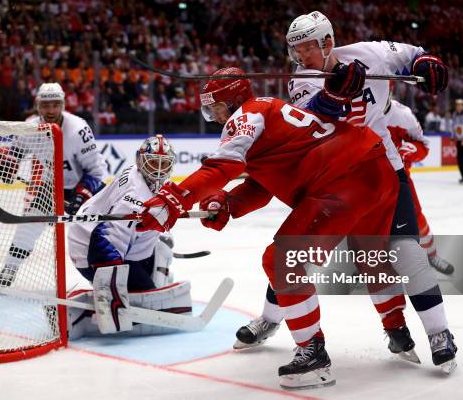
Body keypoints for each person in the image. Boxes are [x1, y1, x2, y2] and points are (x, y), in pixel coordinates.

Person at [136, 67, 420, 389]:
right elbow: (261, 184)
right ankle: (398, 331)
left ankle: (313, 355)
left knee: (283, 260)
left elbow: (221, 168)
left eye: (214, 106)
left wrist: (172, 199)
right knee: (369, 257)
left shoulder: (246, 116)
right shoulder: (266, 113)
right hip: (373, 171)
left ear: (231, 101)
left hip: (344, 180)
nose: (212, 115)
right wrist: (228, 204)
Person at [237, 11, 456, 373]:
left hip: (383, 171)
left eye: (306, 48)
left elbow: (413, 54)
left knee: (405, 253)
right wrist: (335, 92)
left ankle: (440, 333)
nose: (300, 57)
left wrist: (427, 63)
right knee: (292, 256)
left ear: (327, 42)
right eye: (294, 50)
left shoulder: (370, 53)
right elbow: (312, 119)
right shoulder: (302, 80)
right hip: (334, 183)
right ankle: (269, 319)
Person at [66, 135, 192, 338]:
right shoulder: (134, 199)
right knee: (147, 296)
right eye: (153, 163)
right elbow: (104, 242)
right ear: (141, 160)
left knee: (162, 242)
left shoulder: (138, 174)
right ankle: (85, 314)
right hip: (89, 251)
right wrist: (112, 297)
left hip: (90, 233)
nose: (158, 170)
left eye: (164, 163)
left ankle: (140, 286)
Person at [0, 82, 109, 288]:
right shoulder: (30, 127)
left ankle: (107, 276)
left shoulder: (78, 129)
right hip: (52, 187)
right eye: (46, 105)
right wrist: (6, 166)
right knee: (27, 228)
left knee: (96, 234)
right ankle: (9, 270)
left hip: (86, 188)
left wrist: (81, 196)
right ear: (38, 106)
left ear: (63, 105)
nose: (51, 110)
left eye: (55, 105)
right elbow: (15, 154)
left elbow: (97, 171)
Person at [385, 99, 454, 275]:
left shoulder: (403, 114)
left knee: (416, 219)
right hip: (367, 179)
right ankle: (368, 262)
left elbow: (423, 145)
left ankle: (431, 256)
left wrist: (409, 149)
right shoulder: (356, 105)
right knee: (371, 224)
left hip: (400, 179)